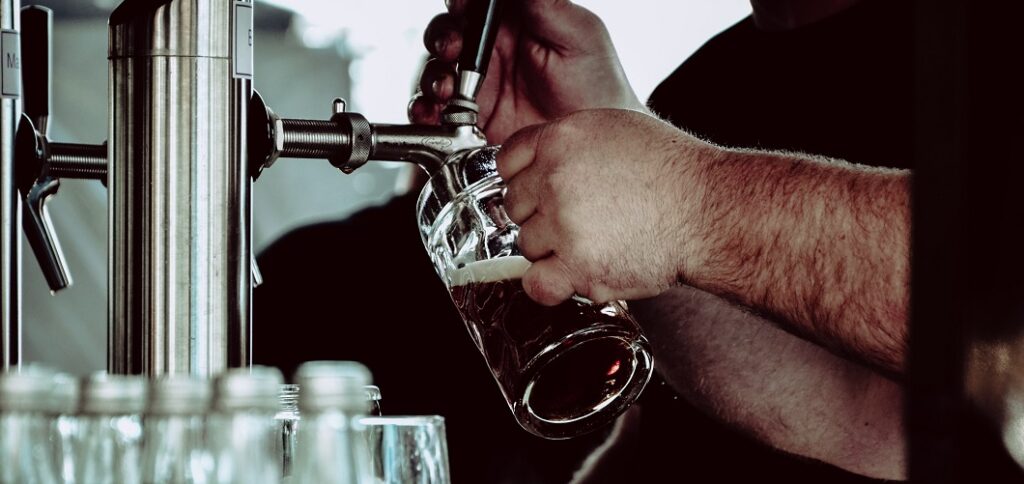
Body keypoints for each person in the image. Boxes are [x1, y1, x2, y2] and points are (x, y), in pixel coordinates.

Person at [256, 0, 908, 481]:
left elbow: (995, 323)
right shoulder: (711, 81)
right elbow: (860, 416)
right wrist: (600, 129)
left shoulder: (978, 48)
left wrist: (688, 198)